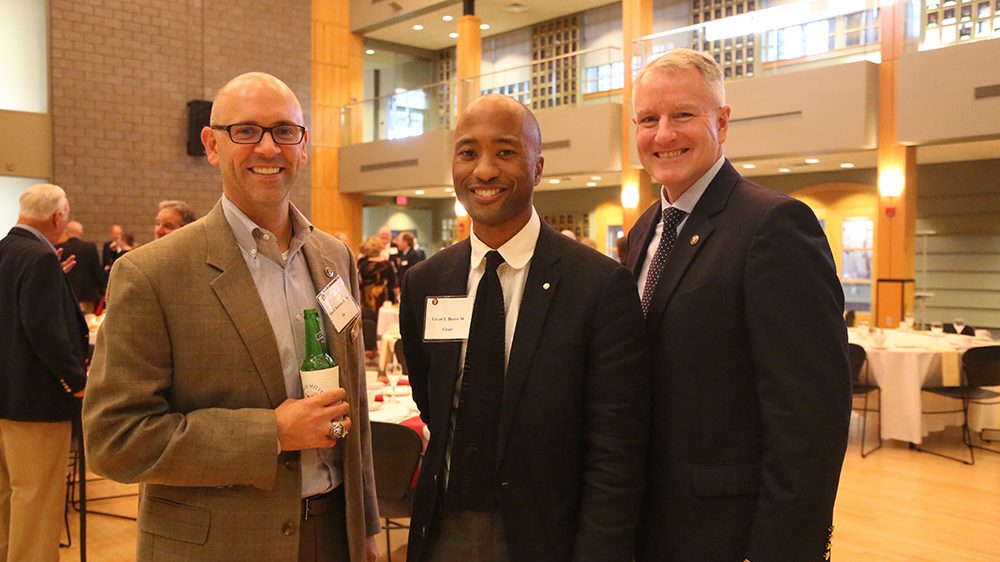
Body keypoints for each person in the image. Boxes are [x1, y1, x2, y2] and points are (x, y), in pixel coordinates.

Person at [83, 72, 380, 562]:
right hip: (218, 545)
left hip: (334, 536)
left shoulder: (335, 258)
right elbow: (115, 438)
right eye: (246, 131)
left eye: (285, 131)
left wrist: (365, 525)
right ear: (212, 144)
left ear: (303, 146)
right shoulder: (151, 273)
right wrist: (272, 434)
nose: (268, 148)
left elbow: (357, 411)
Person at [399, 94, 649, 562]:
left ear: (537, 168)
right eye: (468, 152)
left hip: (549, 535)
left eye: (506, 152)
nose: (485, 170)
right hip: (442, 530)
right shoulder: (425, 282)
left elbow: (617, 447)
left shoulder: (597, 285)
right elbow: (431, 399)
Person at [625, 49, 851, 561]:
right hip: (648, 524)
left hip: (733, 532)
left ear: (721, 122)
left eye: (683, 115)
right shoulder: (643, 232)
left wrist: (783, 547)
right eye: (648, 119)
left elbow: (811, 415)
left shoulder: (774, 226)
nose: (664, 135)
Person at [0, 183, 88, 562]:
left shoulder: (8, 249)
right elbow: (44, 331)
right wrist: (77, 381)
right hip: (35, 400)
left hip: (6, 394)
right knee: (37, 498)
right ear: (58, 216)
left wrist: (56, 277)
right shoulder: (39, 258)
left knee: (9, 494)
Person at [57, 220, 106, 312]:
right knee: (88, 321)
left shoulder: (59, 248)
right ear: (80, 232)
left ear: (67, 232)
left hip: (67, 294)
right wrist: (103, 289)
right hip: (87, 294)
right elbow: (96, 271)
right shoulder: (90, 247)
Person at [357, 236, 396, 311]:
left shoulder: (362, 263)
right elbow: (393, 283)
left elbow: (358, 282)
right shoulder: (387, 264)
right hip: (384, 300)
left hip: (365, 299)